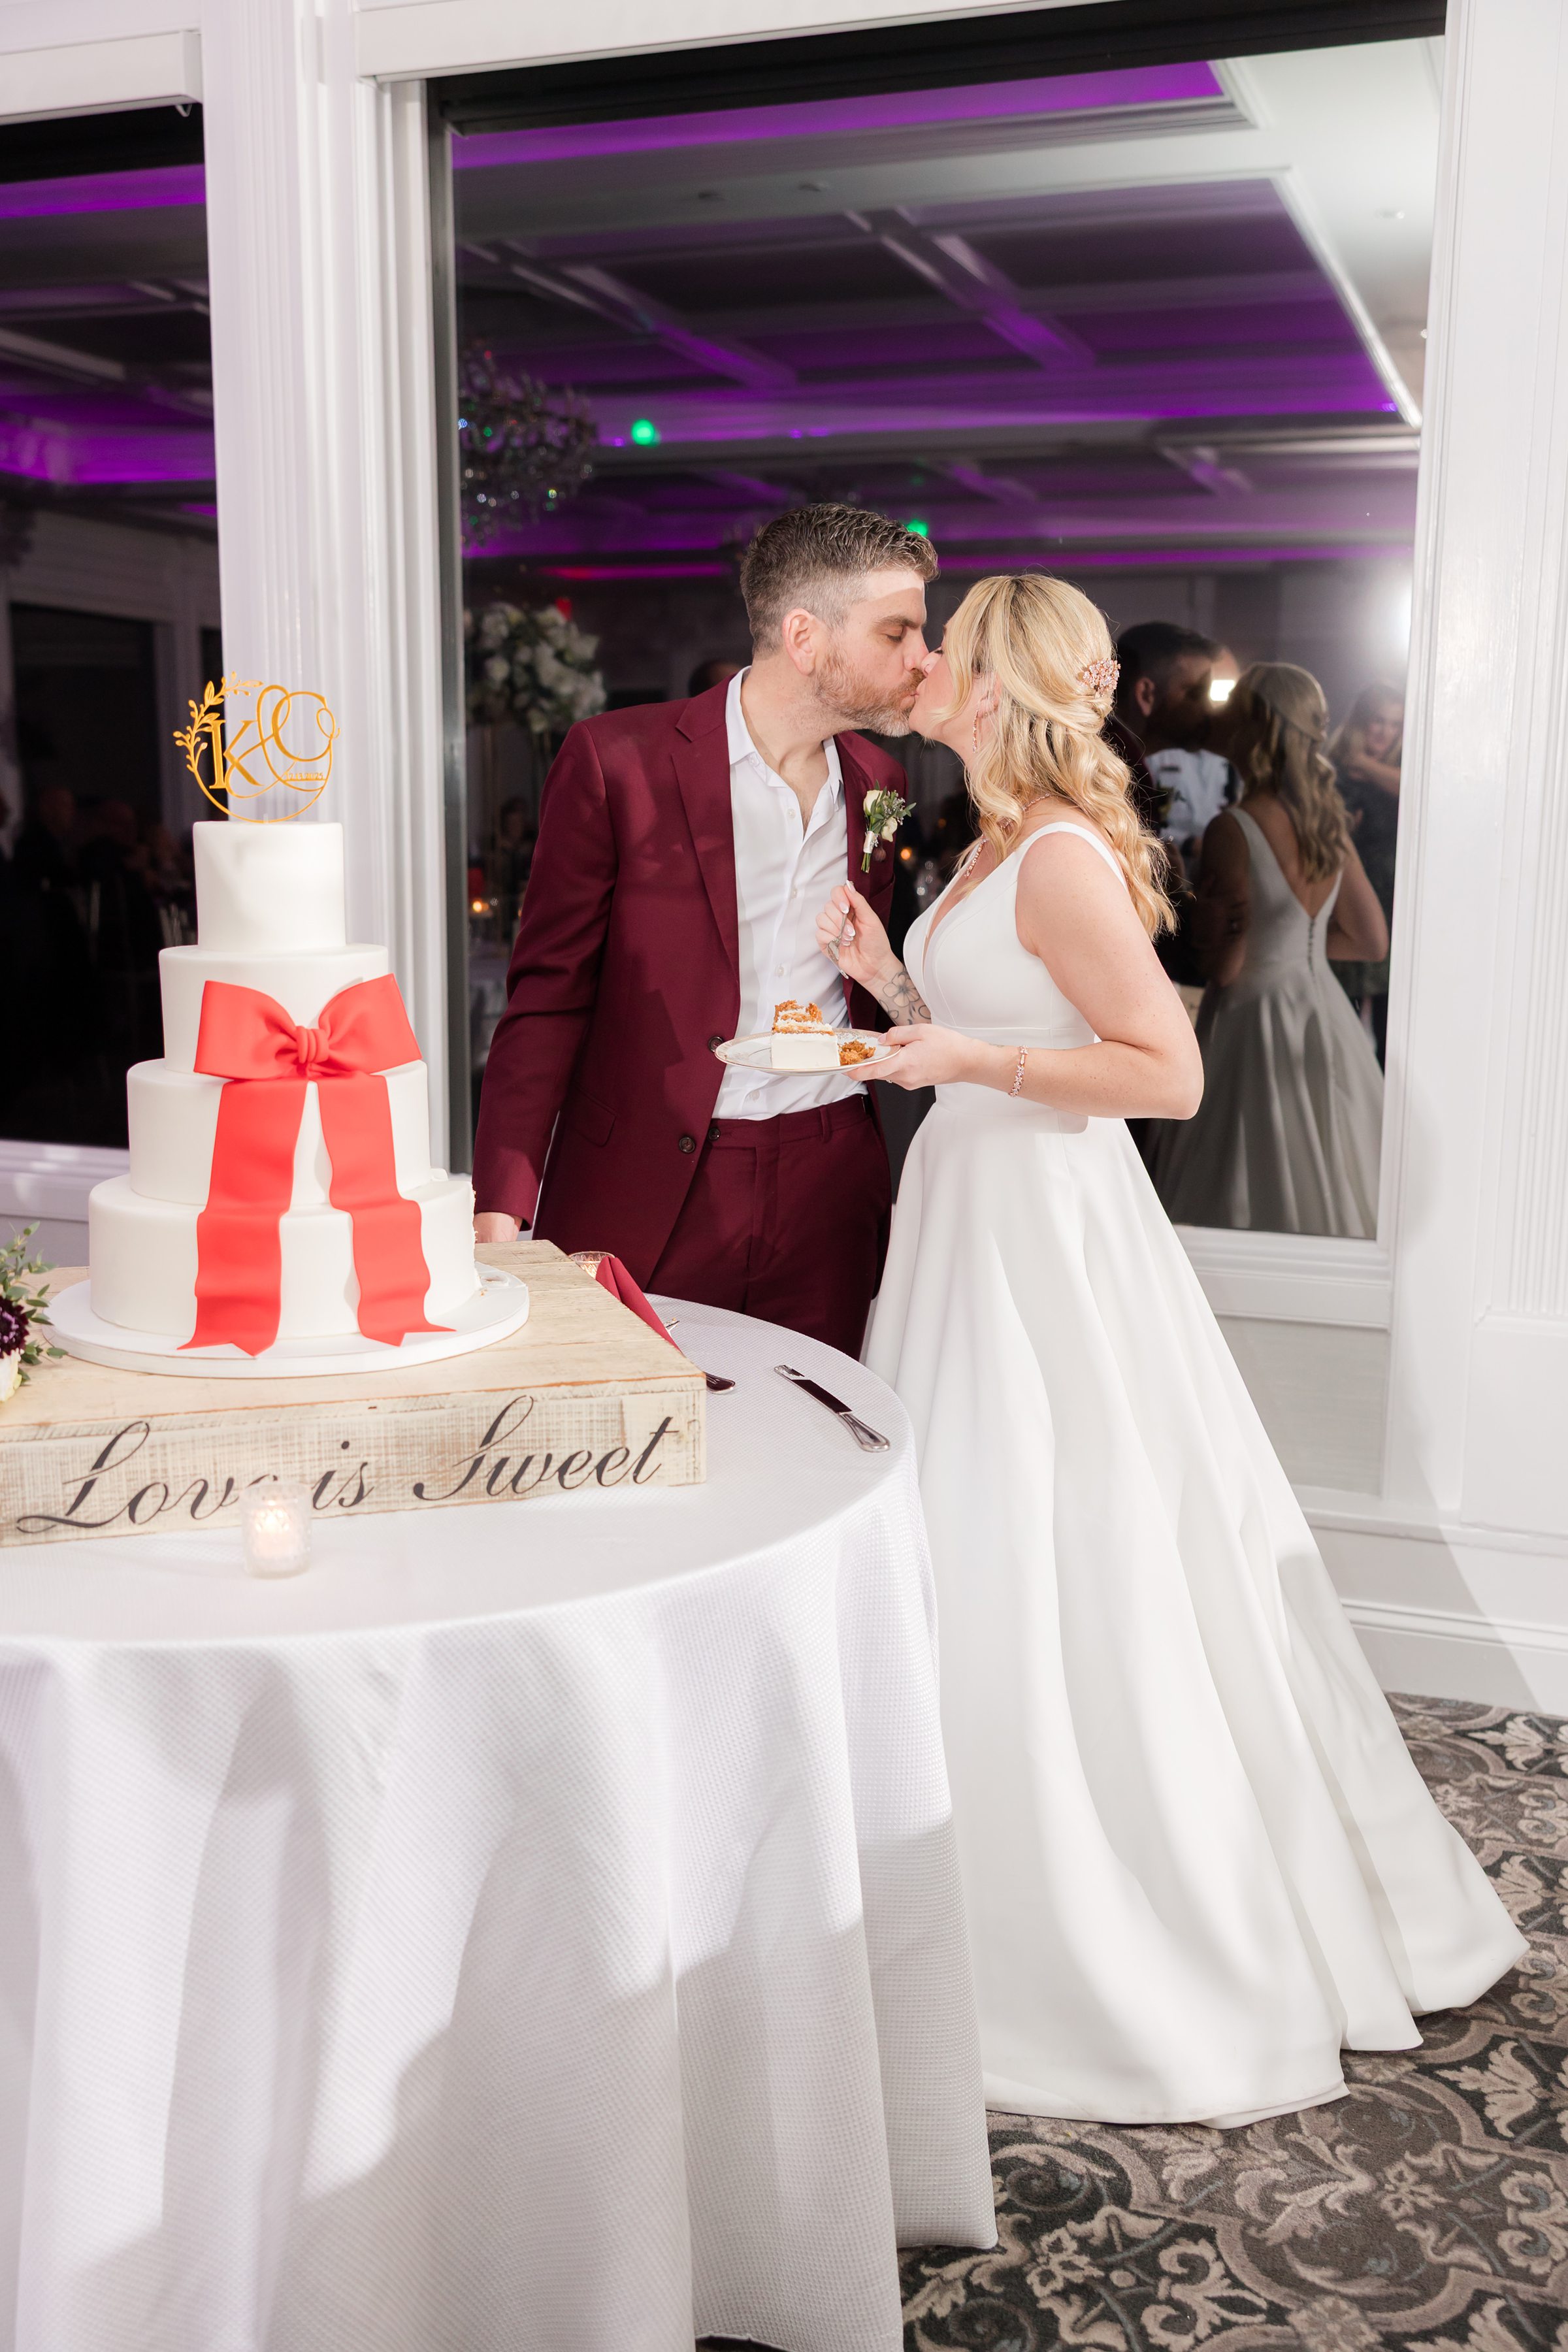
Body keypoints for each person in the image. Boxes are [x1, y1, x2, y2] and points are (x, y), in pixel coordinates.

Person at [818, 574, 1522, 2127]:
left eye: (943, 651)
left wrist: (967, 1056)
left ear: (994, 688)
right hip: (973, 1211)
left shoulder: (1059, 852)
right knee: (986, 1535)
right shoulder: (992, 843)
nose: (916, 666)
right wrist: (884, 973)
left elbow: (1168, 1073)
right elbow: (981, 1020)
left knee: (1073, 1541)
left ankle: (1119, 1896)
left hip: (1043, 1233)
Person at [470, 503, 936, 1354]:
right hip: (655, 1177)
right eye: (897, 633)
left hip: (831, 1176)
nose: (922, 659)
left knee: (816, 1435)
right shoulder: (618, 763)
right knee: (640, 1446)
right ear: (805, 637)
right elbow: (546, 1001)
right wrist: (500, 1206)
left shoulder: (880, 779)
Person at [1154, 664, 1389, 1237]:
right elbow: (1371, 938)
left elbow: (1226, 965)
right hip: (1324, 1010)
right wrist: (1295, 943)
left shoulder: (1233, 827)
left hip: (1252, 1016)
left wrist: (1184, 904)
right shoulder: (1327, 823)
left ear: (1253, 727)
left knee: (1237, 1187)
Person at [1328, 683, 1403, 1062]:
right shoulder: (1333, 768)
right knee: (1345, 1011)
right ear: (1361, 722)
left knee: (1394, 1019)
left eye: (1394, 724)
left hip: (1396, 899)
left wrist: (1370, 767)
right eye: (1378, 721)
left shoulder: (1406, 772)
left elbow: (1416, 792)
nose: (1385, 733)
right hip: (1352, 895)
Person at [1114, 620, 1232, 857]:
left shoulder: (1123, 759)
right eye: (1196, 693)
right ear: (1146, 694)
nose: (1208, 709)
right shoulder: (1114, 772)